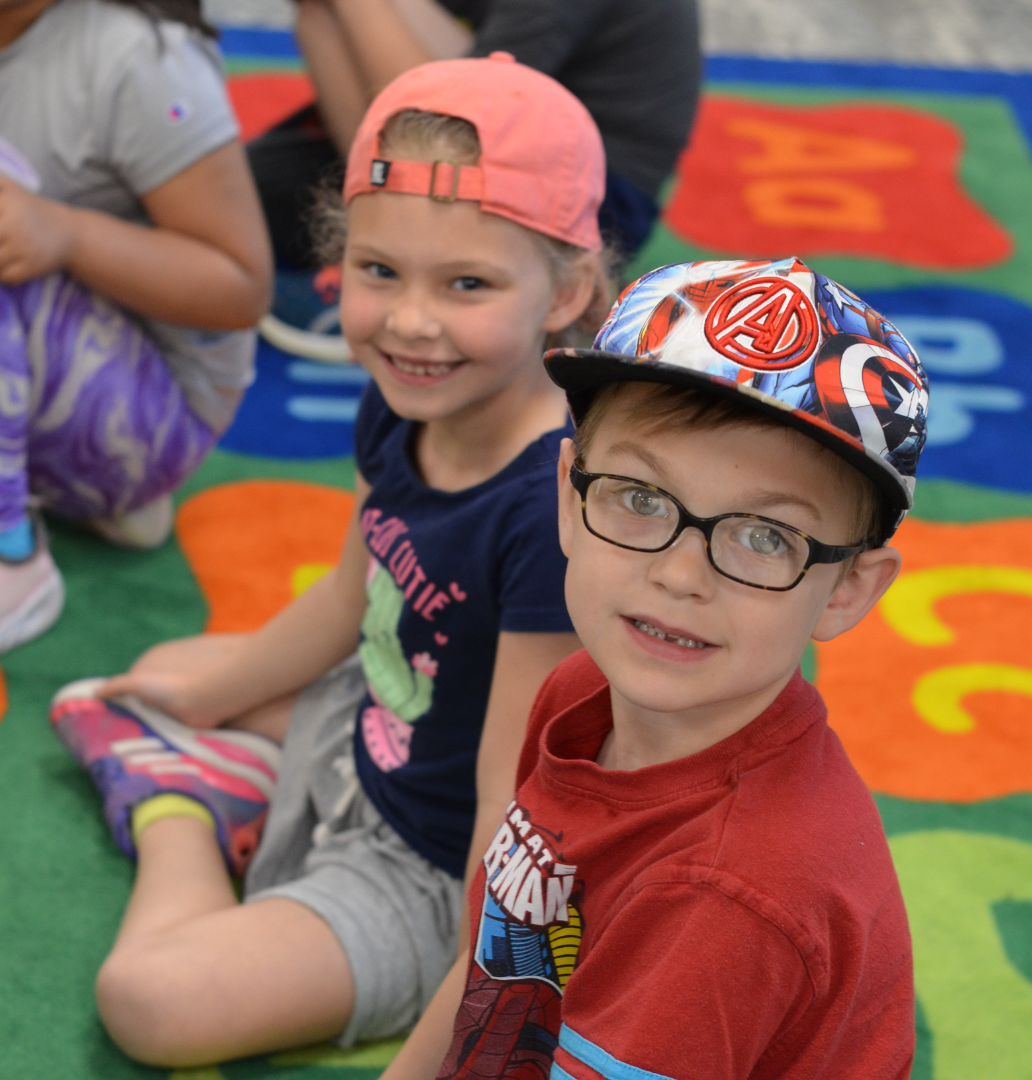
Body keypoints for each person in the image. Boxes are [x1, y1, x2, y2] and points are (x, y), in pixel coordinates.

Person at [49, 55, 610, 1067]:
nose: (410, 321)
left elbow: (514, 807)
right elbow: (359, 591)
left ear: (569, 288)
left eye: (468, 283)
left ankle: (181, 805)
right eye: (379, 271)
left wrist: (457, 1029)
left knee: (148, 1001)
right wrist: (211, 695)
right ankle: (224, 750)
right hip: (379, 723)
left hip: (439, 872)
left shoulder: (548, 513)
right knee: (176, 669)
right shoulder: (408, 395)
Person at [379, 257, 929, 1080]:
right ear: (569, 497)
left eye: (765, 536)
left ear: (848, 589)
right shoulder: (579, 693)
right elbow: (498, 972)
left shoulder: (726, 894)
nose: (680, 573)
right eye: (639, 497)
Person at [0, 0, 273, 654]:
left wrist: (64, 234)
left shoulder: (136, 59)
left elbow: (242, 286)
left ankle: (13, 553)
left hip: (158, 410)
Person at [251, 0, 700, 267]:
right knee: (246, 192)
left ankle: (386, 208)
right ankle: (380, 197)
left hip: (597, 191)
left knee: (243, 209)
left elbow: (465, 112)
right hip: (494, 114)